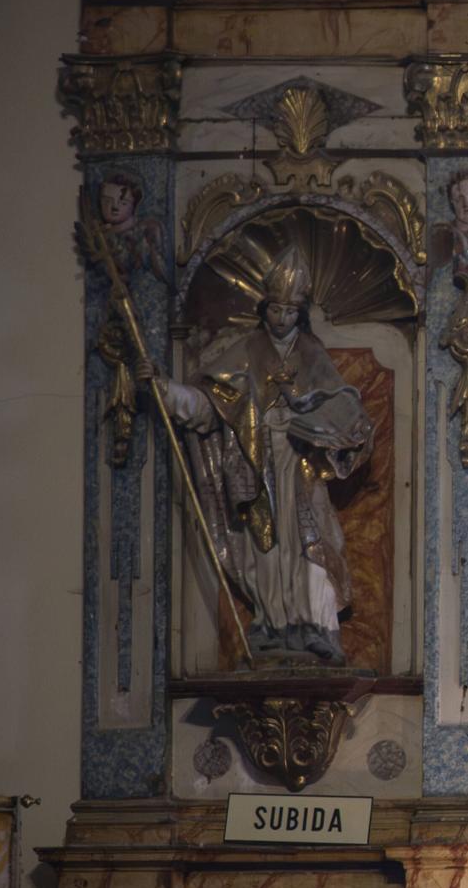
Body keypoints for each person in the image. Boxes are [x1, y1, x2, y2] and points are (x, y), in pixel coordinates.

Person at [142, 248, 371, 663]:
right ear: (265, 309)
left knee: (310, 545)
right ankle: (274, 624)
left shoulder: (312, 353)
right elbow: (208, 404)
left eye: (290, 311)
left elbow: (341, 405)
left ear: (299, 313)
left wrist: (331, 425)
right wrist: (164, 388)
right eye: (276, 310)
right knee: (266, 549)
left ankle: (317, 627)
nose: (281, 319)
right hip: (256, 465)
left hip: (301, 467)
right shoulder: (246, 352)